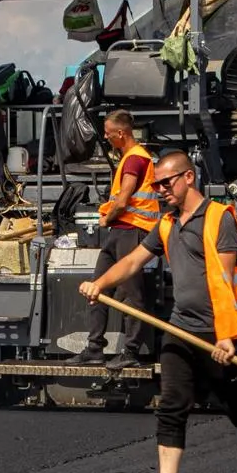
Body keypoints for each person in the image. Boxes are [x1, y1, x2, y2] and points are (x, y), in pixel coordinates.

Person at [82, 150, 237, 473]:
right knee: (171, 405)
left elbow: (222, 281)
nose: (159, 190)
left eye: (165, 183)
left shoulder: (218, 218)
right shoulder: (167, 223)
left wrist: (225, 336)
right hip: (180, 327)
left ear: (188, 178)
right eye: (155, 184)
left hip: (220, 333)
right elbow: (133, 261)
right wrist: (100, 284)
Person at [72, 109, 159, 366]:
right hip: (121, 232)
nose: (107, 139)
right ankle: (94, 348)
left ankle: (131, 352)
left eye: (109, 134)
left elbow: (123, 200)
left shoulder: (135, 160)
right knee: (97, 287)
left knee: (131, 295)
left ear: (121, 133)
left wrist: (106, 219)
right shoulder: (129, 158)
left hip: (131, 230)